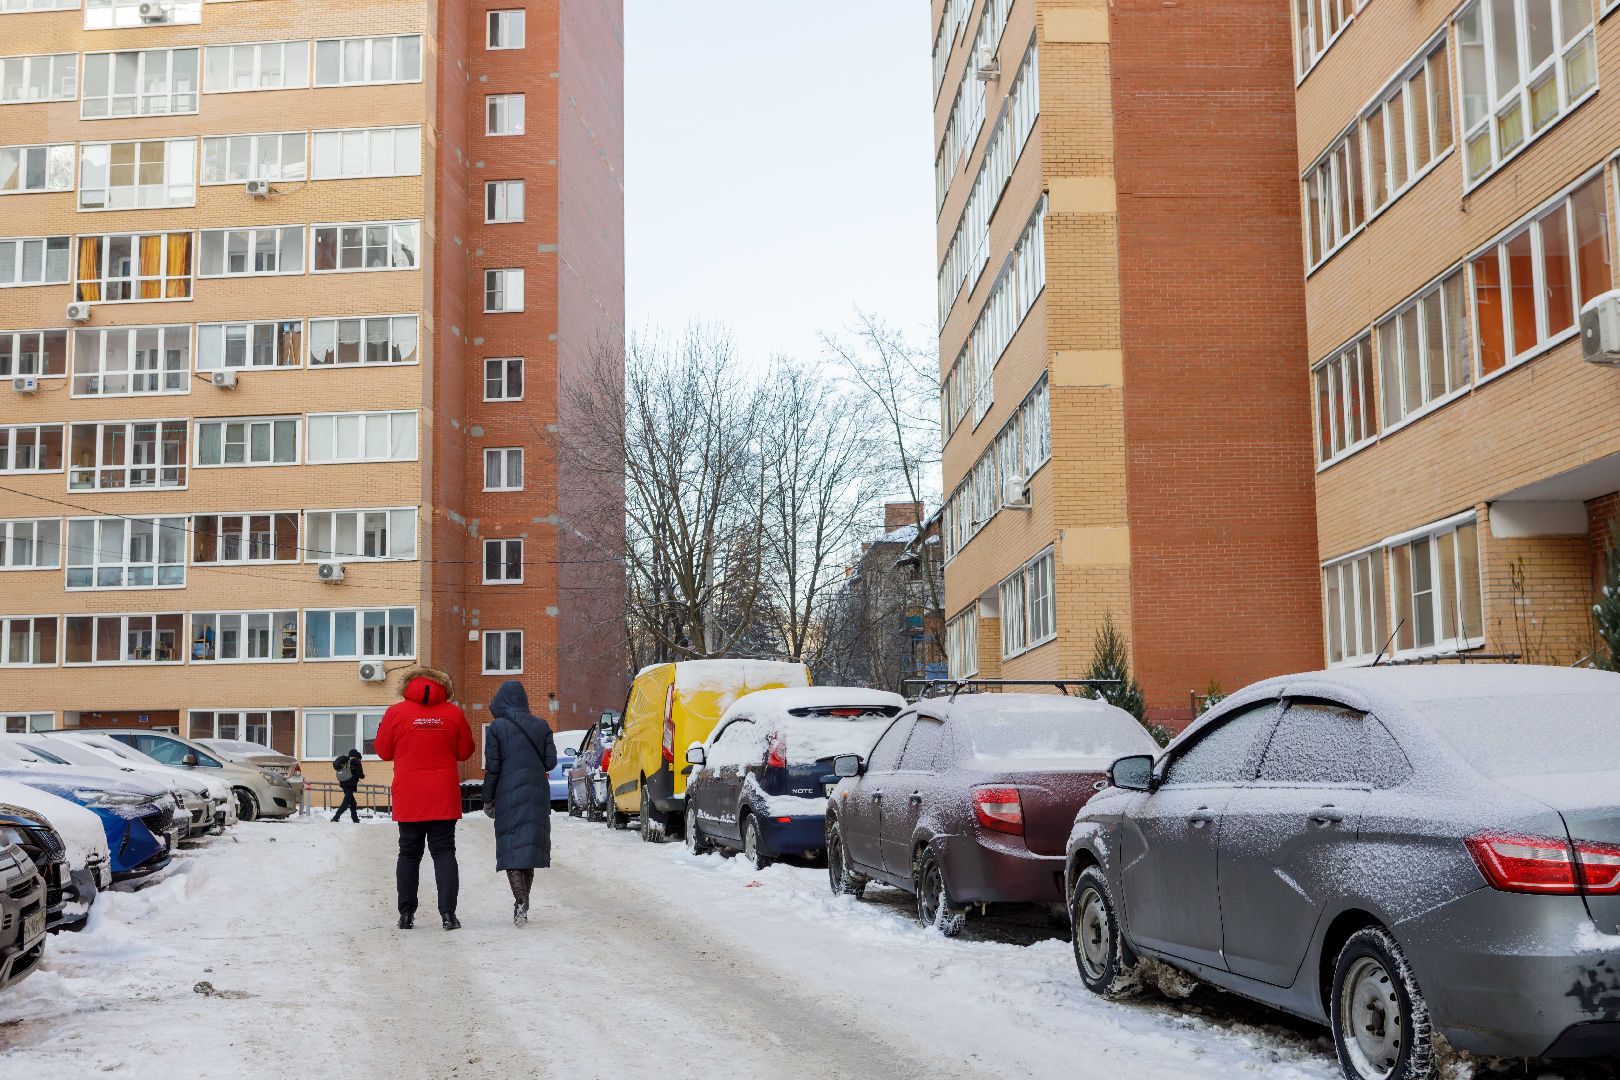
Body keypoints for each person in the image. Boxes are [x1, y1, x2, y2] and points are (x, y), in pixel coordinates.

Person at [376, 666, 475, 931]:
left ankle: (406, 914)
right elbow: (465, 751)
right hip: (443, 796)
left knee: (408, 854)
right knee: (444, 853)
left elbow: (383, 751)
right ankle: (448, 915)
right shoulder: (453, 713)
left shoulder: (395, 713)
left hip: (409, 796)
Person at [482, 681, 558, 927]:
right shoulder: (542, 725)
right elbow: (550, 762)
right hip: (537, 796)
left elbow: (493, 767)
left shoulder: (497, 728)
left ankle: (520, 900)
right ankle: (524, 902)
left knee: (512, 850)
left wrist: (487, 797)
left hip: (508, 795)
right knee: (528, 850)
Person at [330, 748, 364, 823]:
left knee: (352, 802)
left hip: (343, 783)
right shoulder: (356, 761)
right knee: (346, 802)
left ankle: (355, 819)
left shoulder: (346, 761)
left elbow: (346, 771)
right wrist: (362, 776)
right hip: (350, 784)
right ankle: (336, 817)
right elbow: (359, 774)